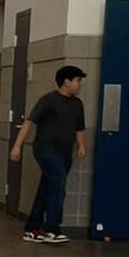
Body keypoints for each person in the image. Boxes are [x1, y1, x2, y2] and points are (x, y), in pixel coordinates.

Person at [9, 65, 87, 244]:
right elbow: (29, 123)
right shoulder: (49, 100)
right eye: (77, 80)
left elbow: (79, 128)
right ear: (67, 82)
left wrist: (81, 145)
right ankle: (52, 229)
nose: (79, 84)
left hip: (65, 152)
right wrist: (17, 146)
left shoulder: (77, 104)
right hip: (45, 149)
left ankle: (32, 228)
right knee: (58, 184)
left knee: (47, 188)